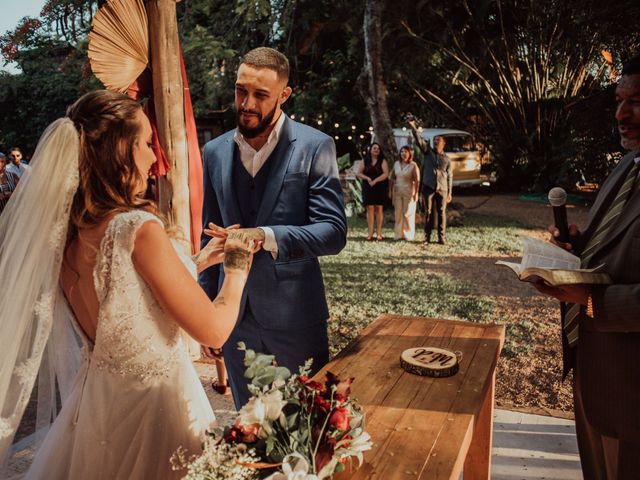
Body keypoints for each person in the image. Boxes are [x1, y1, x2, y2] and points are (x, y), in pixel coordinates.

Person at [0, 90, 255, 479]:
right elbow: (213, 329)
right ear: (120, 149)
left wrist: (200, 261)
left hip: (97, 405)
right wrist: (237, 264)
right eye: (146, 143)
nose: (155, 158)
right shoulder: (137, 229)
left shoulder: (67, 238)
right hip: (155, 410)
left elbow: (126, 295)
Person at [199, 47, 347, 409]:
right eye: (240, 91)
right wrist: (205, 312)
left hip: (294, 319)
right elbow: (210, 232)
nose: (247, 103)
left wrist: (266, 236)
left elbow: (333, 230)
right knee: (248, 429)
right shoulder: (215, 151)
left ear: (284, 95)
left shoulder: (315, 146)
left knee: (308, 427)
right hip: (232, 320)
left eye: (260, 95)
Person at [533, 54, 640, 478]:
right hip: (594, 369)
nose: (621, 115)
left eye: (636, 102)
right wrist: (577, 248)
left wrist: (591, 300)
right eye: (618, 100)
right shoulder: (626, 166)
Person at [407, 117, 452, 245]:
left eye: (439, 141)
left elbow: (450, 176)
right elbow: (419, 139)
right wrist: (413, 127)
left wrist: (449, 192)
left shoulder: (447, 159)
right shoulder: (428, 152)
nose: (436, 142)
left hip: (442, 188)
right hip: (428, 187)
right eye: (435, 140)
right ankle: (427, 237)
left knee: (442, 213)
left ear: (443, 143)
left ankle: (441, 237)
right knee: (428, 212)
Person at [356, 142, 389, 240]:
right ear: (370, 150)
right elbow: (358, 173)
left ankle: (379, 233)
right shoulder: (365, 161)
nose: (376, 150)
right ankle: (370, 232)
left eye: (378, 149)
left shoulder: (382, 161)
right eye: (374, 148)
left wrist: (375, 180)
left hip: (380, 187)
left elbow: (386, 174)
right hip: (368, 187)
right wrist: (368, 178)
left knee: (379, 208)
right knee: (370, 208)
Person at [389, 145, 420, 240]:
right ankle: (398, 234)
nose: (403, 153)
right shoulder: (396, 164)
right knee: (398, 213)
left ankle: (408, 234)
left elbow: (417, 180)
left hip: (409, 191)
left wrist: (416, 193)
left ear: (409, 153)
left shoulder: (413, 165)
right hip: (398, 191)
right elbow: (391, 177)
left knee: (407, 213)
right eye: (402, 151)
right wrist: (390, 191)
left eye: (405, 151)